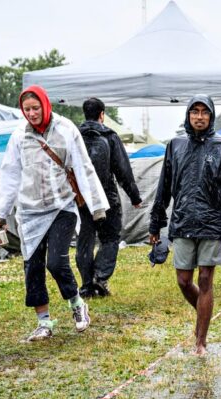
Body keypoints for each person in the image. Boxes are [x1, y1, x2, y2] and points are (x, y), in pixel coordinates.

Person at [0, 85, 109, 342]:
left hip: (61, 207)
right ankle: (44, 322)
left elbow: (83, 166)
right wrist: (0, 215)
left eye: (35, 108)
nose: (31, 114)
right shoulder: (19, 137)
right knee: (32, 267)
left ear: (45, 105)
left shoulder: (66, 130)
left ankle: (77, 304)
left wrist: (97, 206)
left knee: (56, 262)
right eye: (27, 109)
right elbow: (10, 175)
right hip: (30, 210)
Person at [149, 95, 221, 356]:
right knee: (183, 280)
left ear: (211, 116)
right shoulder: (175, 145)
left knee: (205, 280)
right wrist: (155, 224)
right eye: (195, 112)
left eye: (204, 112)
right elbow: (163, 187)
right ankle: (205, 312)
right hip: (183, 221)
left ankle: (200, 341)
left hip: (212, 223)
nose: (199, 117)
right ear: (188, 115)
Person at [76, 98, 142, 298]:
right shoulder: (110, 136)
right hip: (107, 198)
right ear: (102, 114)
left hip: (81, 199)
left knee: (84, 241)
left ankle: (87, 285)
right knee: (110, 238)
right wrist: (134, 196)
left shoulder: (74, 136)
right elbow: (123, 169)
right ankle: (100, 276)